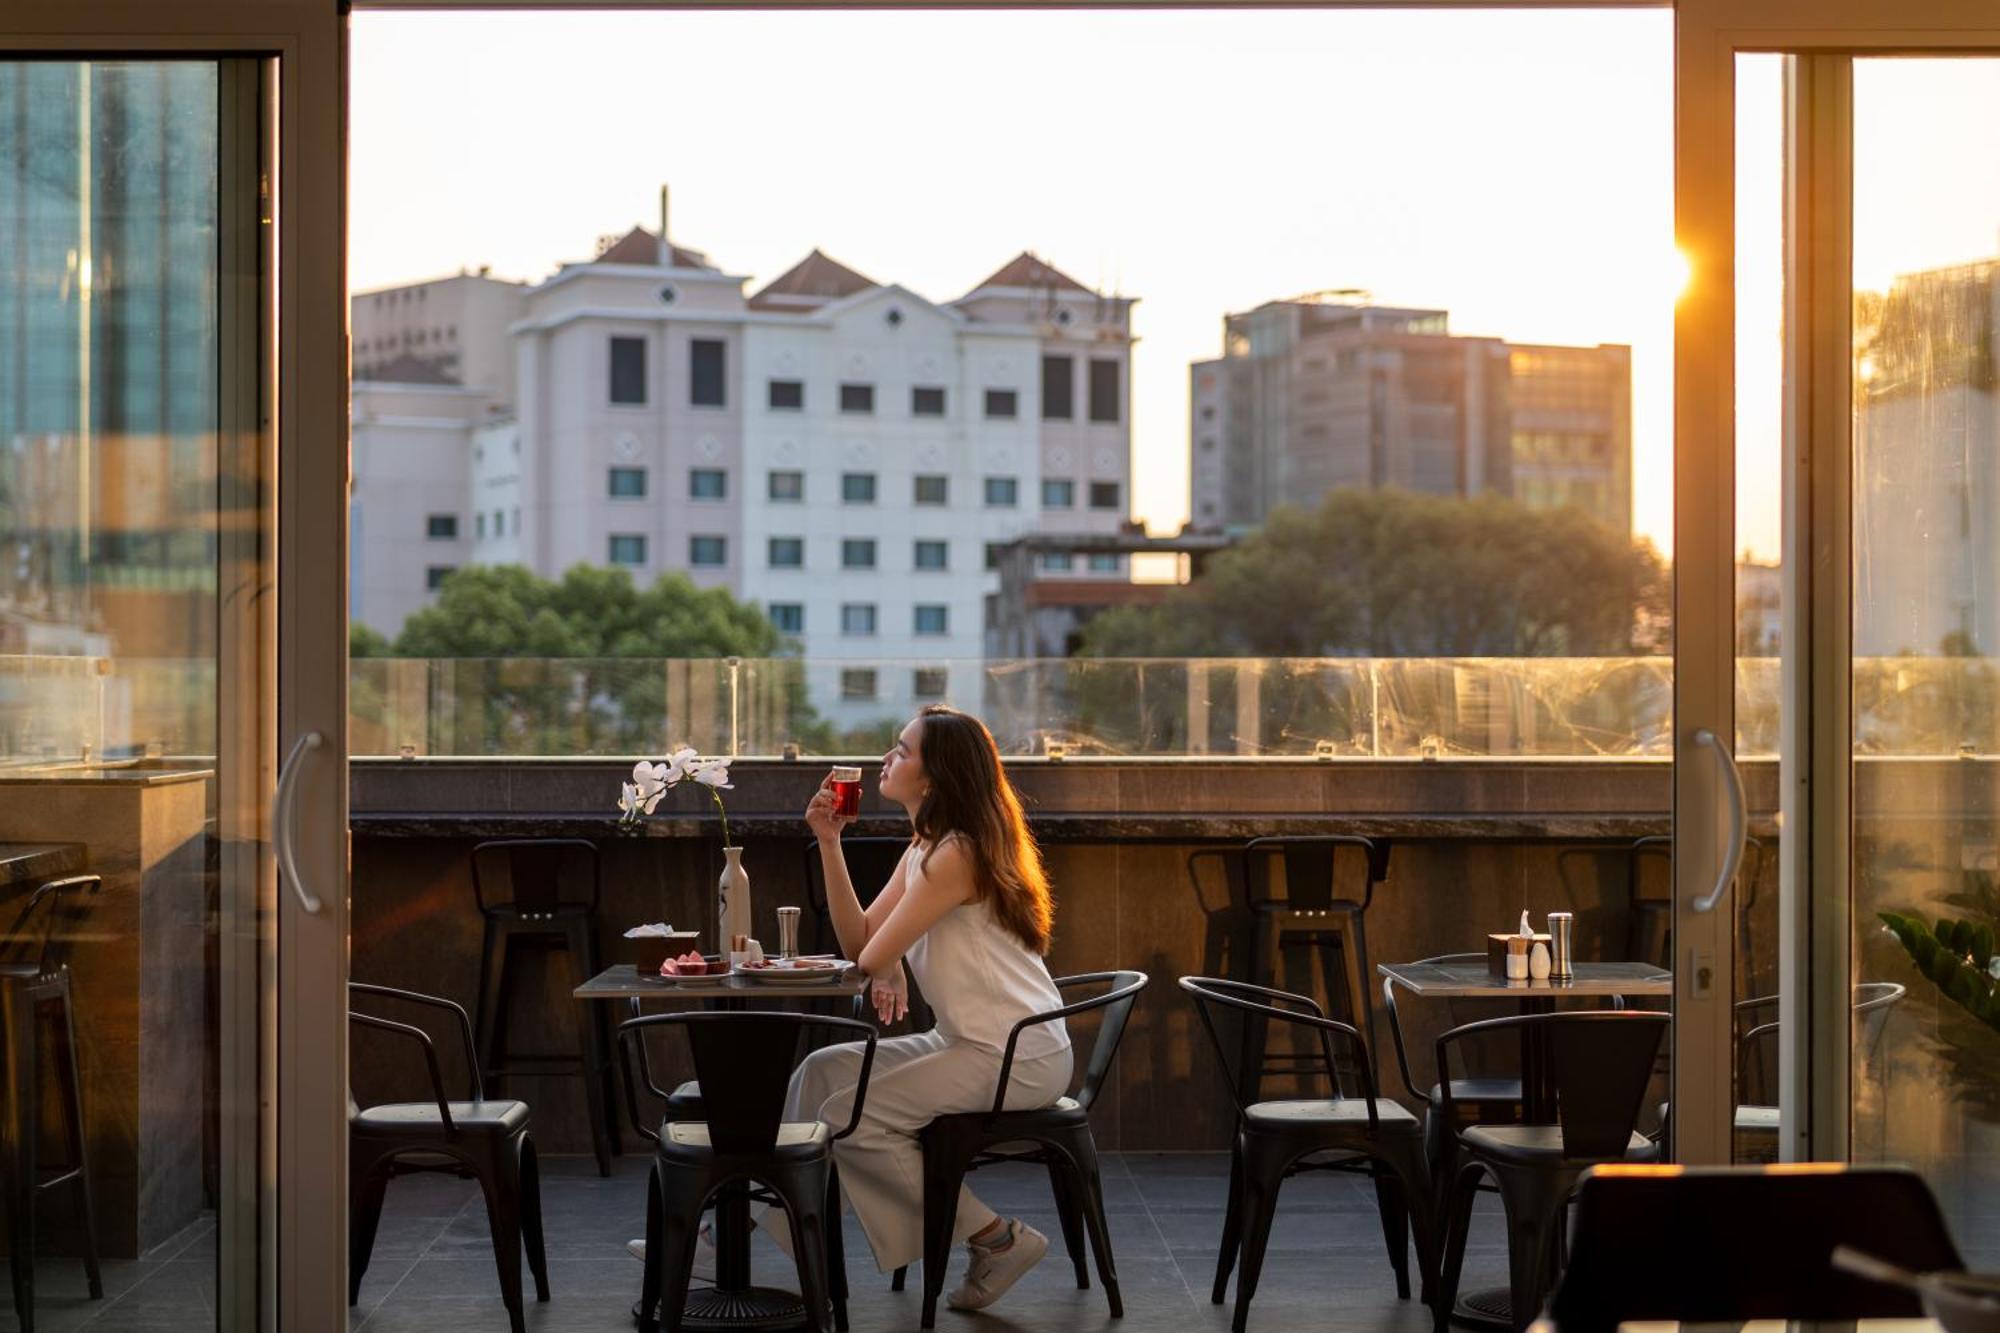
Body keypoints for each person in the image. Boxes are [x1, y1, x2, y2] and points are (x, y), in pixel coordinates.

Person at [632, 704, 1072, 1312]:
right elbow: (861, 939)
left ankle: (996, 1238)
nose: (886, 760)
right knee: (824, 1072)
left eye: (902, 751)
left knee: (851, 1113)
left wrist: (884, 963)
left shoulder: (955, 856)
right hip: (974, 1042)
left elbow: (866, 957)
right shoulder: (927, 847)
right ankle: (733, 1235)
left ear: (935, 777)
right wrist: (830, 841)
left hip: (1014, 1053)